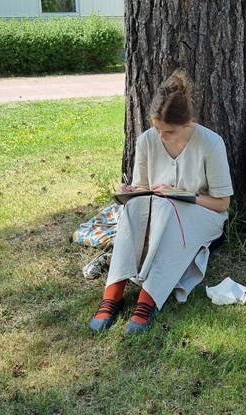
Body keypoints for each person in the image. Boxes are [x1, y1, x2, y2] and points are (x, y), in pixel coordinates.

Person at [89, 70, 234, 333]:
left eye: (168, 131)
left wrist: (179, 194)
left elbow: (222, 203)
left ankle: (149, 299)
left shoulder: (210, 144)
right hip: (159, 211)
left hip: (203, 213)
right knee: (134, 205)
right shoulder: (147, 140)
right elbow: (143, 189)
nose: (161, 136)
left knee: (169, 207)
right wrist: (132, 191)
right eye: (157, 128)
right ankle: (113, 294)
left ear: (188, 122)